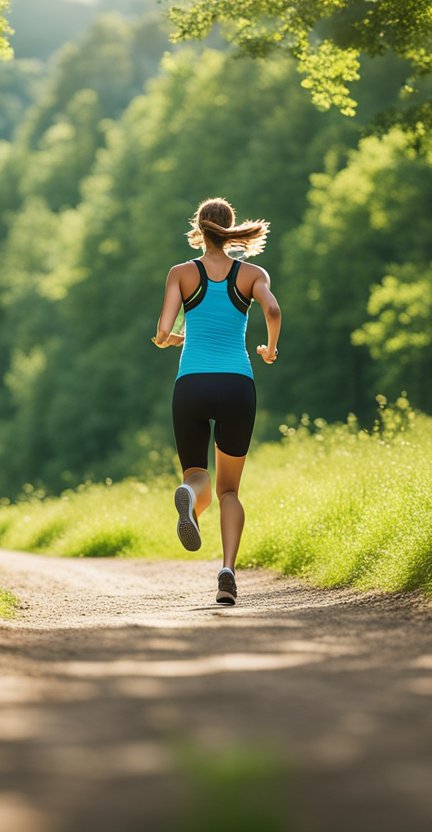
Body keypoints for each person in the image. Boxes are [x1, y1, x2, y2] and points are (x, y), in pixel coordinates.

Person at [151, 197, 281, 605]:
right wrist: (270, 349)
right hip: (236, 385)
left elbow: (162, 329)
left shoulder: (181, 274)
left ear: (199, 227)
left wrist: (169, 339)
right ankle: (227, 569)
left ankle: (189, 497)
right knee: (229, 491)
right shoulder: (252, 273)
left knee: (196, 473)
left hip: (191, 384)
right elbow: (273, 310)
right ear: (230, 226)